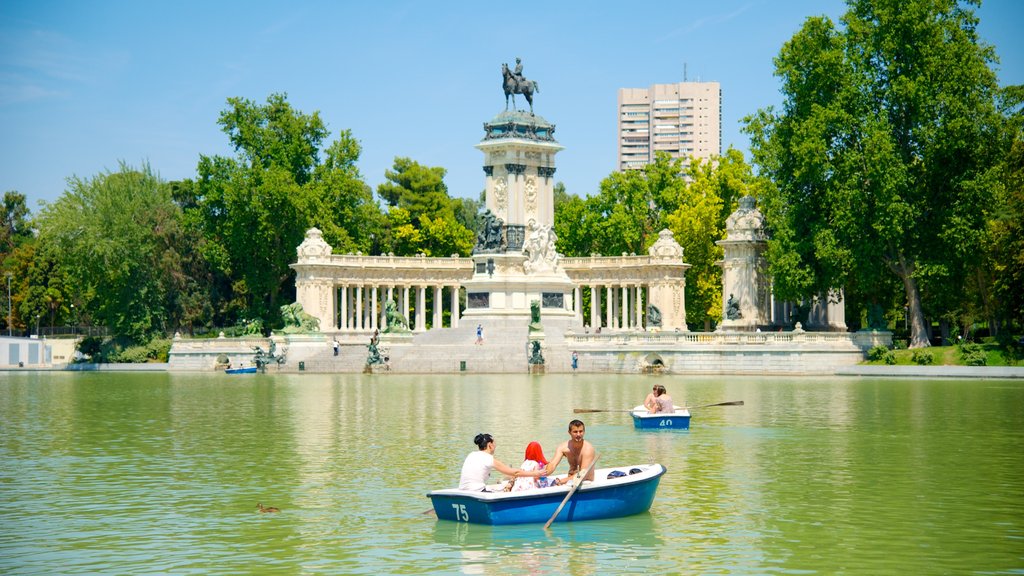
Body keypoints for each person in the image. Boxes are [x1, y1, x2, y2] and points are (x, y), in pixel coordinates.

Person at [460, 433, 542, 491]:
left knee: (501, 487)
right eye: (494, 443)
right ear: (490, 445)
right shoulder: (488, 459)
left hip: (463, 490)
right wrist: (535, 473)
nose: (495, 446)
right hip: (476, 491)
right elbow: (515, 473)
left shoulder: (471, 454)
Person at [543, 419, 597, 486]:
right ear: (569, 432)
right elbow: (553, 464)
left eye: (581, 431)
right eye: (575, 432)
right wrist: (541, 474)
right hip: (569, 481)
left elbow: (583, 474)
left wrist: (561, 481)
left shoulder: (588, 449)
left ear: (584, 432)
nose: (578, 434)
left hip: (585, 482)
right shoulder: (563, 447)